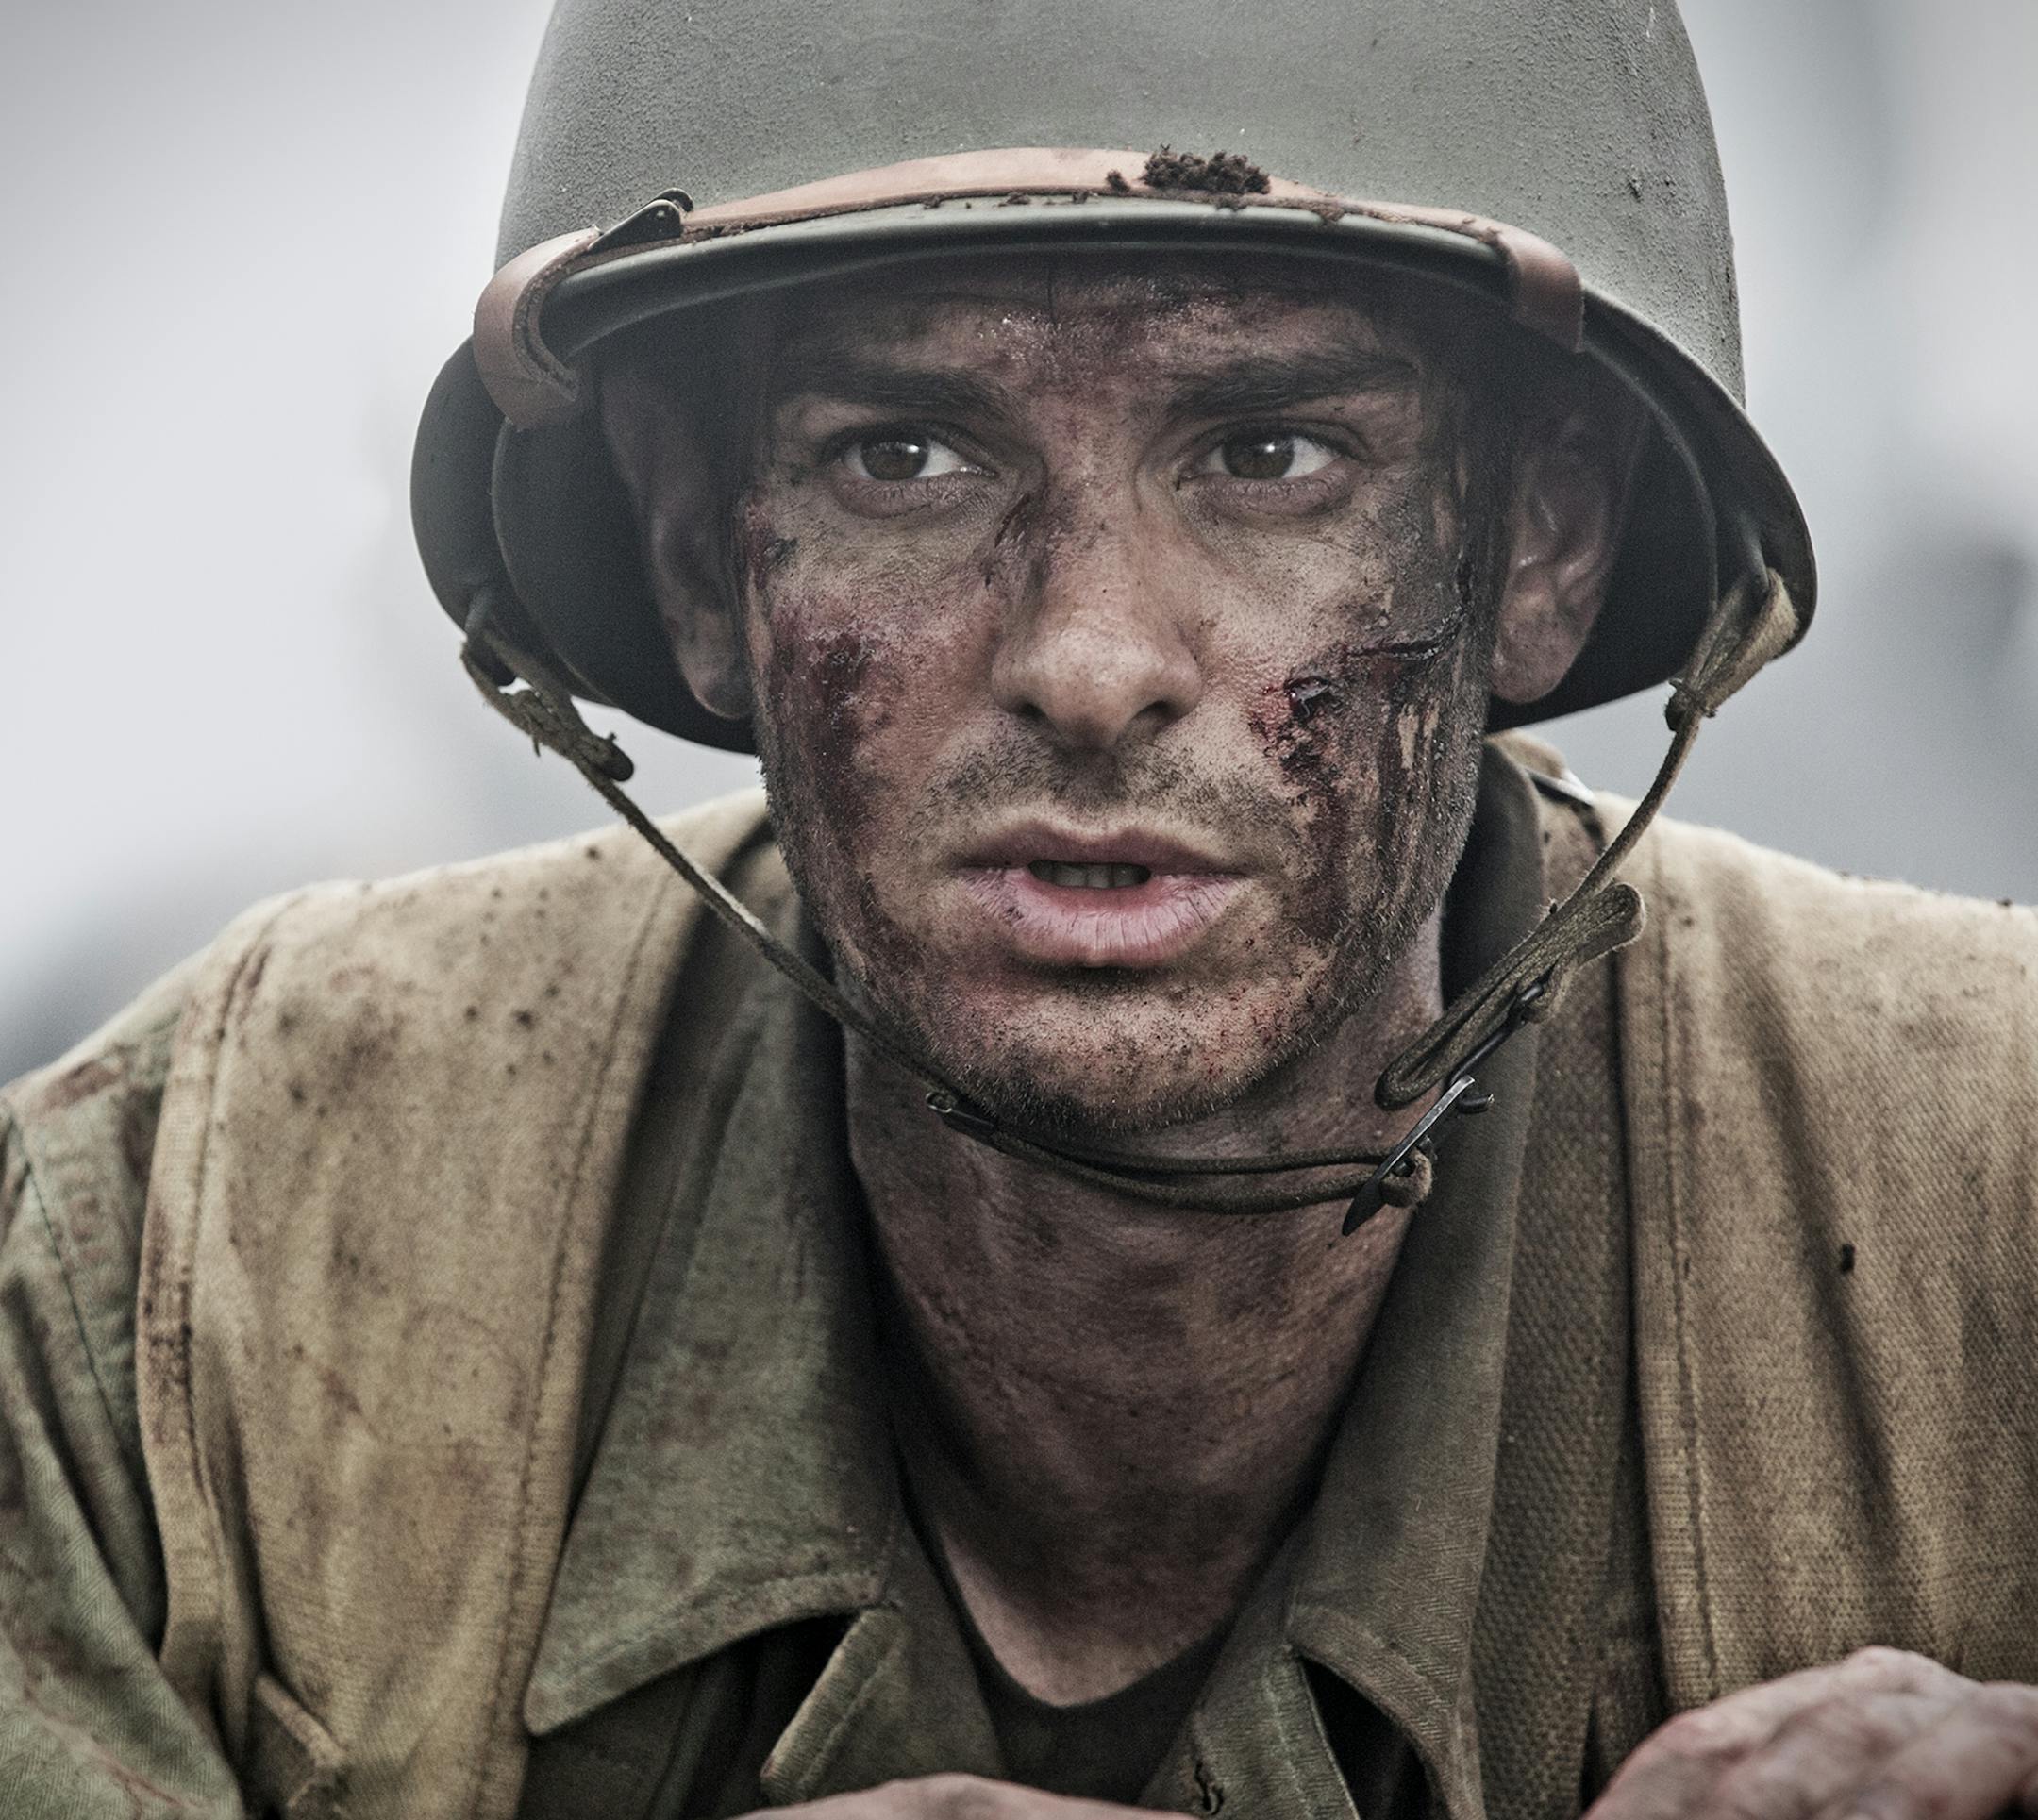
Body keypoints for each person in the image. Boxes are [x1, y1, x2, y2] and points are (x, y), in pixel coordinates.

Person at [5, 3, 2037, 1816]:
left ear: (1547, 538)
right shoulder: (205, 1249)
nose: (1085, 654)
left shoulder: (1984, 1194)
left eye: (1268, 451)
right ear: (704, 555)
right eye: (904, 453)